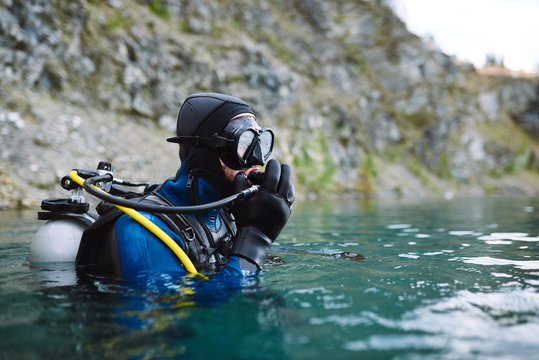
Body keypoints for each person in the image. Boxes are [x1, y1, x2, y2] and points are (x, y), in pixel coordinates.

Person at [76, 93, 295, 281]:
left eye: (260, 143)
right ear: (204, 154)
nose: (256, 159)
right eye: (243, 145)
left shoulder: (227, 216)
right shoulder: (141, 231)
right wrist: (257, 239)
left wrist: (260, 229)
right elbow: (182, 320)